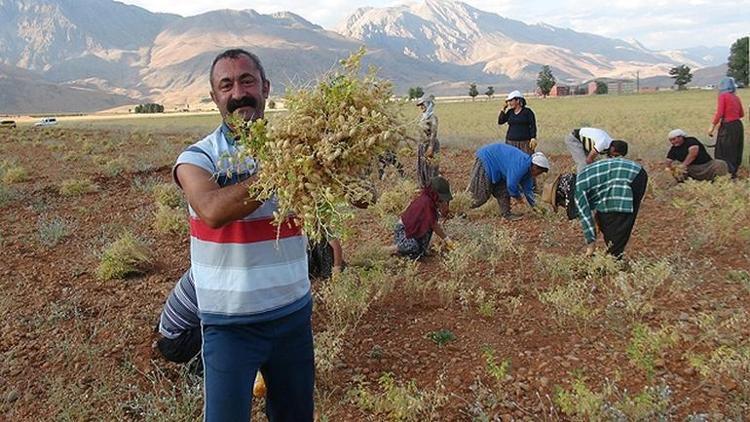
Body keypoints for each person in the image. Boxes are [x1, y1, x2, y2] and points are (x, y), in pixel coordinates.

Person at [172, 49, 313, 421]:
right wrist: (284, 169)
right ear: (214, 96)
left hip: (293, 316)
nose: (239, 93)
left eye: (247, 80)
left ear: (265, 87)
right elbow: (213, 210)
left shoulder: (302, 146)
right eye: (226, 85)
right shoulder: (197, 158)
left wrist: (337, 159)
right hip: (229, 326)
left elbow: (360, 200)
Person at [575, 150, 647, 259]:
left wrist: (591, 246)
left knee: (616, 218)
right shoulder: (580, 179)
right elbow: (594, 209)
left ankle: (613, 259)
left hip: (627, 175)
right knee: (606, 218)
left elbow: (585, 217)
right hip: (632, 172)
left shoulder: (577, 190)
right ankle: (613, 255)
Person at [468, 143, 550, 220]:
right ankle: (460, 208)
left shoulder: (528, 173)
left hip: (500, 168)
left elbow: (528, 191)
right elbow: (511, 185)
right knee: (480, 195)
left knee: (503, 191)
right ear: (535, 167)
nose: (538, 175)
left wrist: (537, 208)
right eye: (539, 172)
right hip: (487, 159)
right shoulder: (521, 165)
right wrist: (518, 197)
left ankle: (506, 213)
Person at [390, 176, 453, 259]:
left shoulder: (430, 202)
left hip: (413, 231)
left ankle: (418, 251)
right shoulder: (426, 203)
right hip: (404, 231)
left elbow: (431, 222)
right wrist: (447, 239)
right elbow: (434, 225)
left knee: (419, 253)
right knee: (412, 246)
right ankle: (393, 249)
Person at [708, 77, 745, 178]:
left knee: (723, 151)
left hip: (728, 127)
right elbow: (741, 114)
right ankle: (734, 173)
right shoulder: (736, 97)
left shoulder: (723, 96)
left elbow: (719, 113)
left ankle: (725, 175)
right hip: (738, 126)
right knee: (735, 150)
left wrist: (712, 126)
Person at [416, 95, 440, 187]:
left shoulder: (433, 118)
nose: (421, 107)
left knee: (431, 167)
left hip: (430, 144)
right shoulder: (423, 118)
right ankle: (423, 186)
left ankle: (432, 187)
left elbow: (433, 133)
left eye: (423, 105)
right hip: (422, 145)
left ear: (428, 105)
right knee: (422, 166)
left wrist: (430, 147)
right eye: (420, 105)